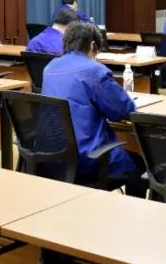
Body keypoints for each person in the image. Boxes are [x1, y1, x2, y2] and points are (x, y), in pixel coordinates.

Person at [40, 21, 146, 194]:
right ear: (92, 46)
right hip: (88, 161)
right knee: (139, 164)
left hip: (53, 157)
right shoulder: (95, 71)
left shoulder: (50, 68)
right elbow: (123, 110)